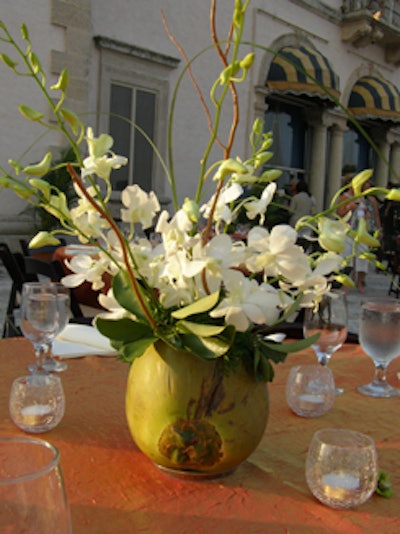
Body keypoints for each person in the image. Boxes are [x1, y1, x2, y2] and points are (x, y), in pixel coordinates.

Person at [338, 179, 381, 293]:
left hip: (362, 232)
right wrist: (348, 208)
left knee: (363, 256)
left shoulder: (366, 199)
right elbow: (339, 213)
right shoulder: (346, 197)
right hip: (348, 231)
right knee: (346, 257)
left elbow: (373, 214)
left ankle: (359, 282)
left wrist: (375, 224)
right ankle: (345, 285)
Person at [289, 179, 316, 250]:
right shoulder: (310, 198)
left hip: (296, 222)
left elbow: (291, 211)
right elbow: (313, 212)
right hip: (307, 222)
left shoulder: (296, 197)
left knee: (295, 242)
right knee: (305, 242)